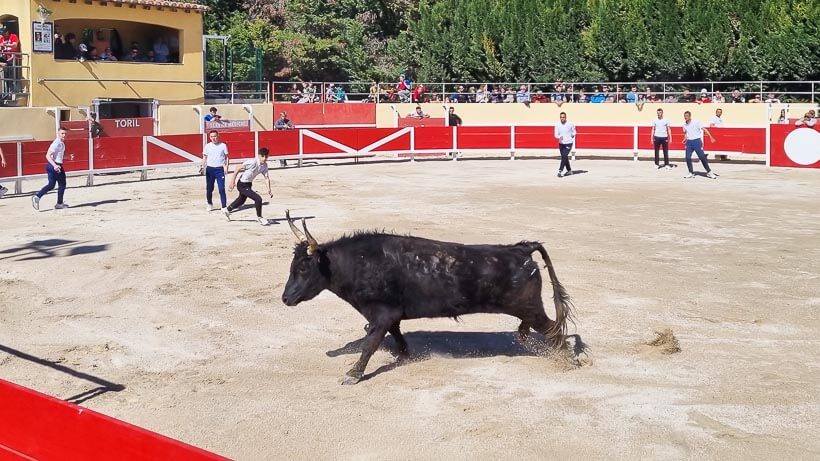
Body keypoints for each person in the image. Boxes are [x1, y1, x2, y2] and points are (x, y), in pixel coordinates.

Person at [224, 147, 273, 226]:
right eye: (262, 156)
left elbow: (266, 178)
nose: (264, 158)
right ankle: (260, 218)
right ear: (259, 155)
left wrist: (269, 190)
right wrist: (232, 181)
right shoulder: (252, 162)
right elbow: (237, 168)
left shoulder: (265, 166)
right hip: (242, 184)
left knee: (241, 200)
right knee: (258, 199)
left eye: (266, 157)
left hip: (248, 184)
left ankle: (227, 210)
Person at [32, 128, 70, 210]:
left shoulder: (61, 143)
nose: (64, 135)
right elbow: (47, 155)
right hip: (55, 166)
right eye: (62, 133)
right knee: (62, 184)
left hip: (53, 165)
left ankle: (37, 196)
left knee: (51, 185)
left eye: (65, 133)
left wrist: (67, 157)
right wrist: (55, 165)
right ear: (58, 133)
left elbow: (58, 156)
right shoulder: (56, 143)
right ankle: (59, 203)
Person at [681, 111, 717, 179]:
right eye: (685, 116)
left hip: (697, 141)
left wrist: (711, 137)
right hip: (689, 142)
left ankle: (709, 172)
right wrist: (684, 139)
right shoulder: (684, 125)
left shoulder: (696, 122)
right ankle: (691, 172)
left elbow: (704, 129)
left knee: (702, 157)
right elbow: (686, 133)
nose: (686, 117)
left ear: (690, 116)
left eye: (687, 116)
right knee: (687, 157)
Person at [201, 130, 229, 213]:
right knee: (209, 188)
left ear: (218, 136)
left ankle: (224, 206)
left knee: (221, 188)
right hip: (210, 169)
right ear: (210, 137)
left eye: (215, 136)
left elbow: (227, 157)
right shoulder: (207, 146)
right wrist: (203, 166)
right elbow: (204, 157)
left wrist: (226, 167)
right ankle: (209, 203)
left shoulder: (223, 145)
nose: (214, 138)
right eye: (212, 136)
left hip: (219, 169)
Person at [554, 112, 575, 178]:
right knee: (564, 157)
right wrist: (559, 137)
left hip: (569, 142)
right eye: (561, 117)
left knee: (564, 156)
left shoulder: (570, 124)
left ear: (566, 117)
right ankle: (569, 170)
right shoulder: (557, 125)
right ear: (560, 118)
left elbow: (574, 131)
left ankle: (560, 171)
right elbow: (555, 134)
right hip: (561, 143)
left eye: (563, 117)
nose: (562, 118)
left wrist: (573, 134)